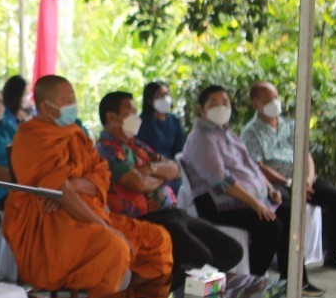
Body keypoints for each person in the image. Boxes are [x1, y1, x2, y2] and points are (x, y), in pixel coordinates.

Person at [4, 76, 173, 298]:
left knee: (158, 240)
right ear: (45, 106)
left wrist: (75, 183)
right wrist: (98, 218)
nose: (73, 104)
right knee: (114, 247)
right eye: (66, 99)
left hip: (90, 214)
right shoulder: (32, 136)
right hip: (50, 226)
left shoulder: (75, 132)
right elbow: (58, 194)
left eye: (73, 97)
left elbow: (101, 175)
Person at [182, 85, 323, 295]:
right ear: (201, 109)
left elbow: (251, 166)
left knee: (290, 214)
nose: (222, 107)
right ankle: (250, 283)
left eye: (225, 102)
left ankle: (293, 280)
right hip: (216, 204)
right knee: (270, 226)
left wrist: (267, 190)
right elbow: (220, 181)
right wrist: (255, 203)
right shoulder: (202, 138)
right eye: (214, 103)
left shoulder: (226, 132)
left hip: (245, 198)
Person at [96, 91, 243, 280]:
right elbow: (138, 184)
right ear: (111, 116)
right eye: (130, 111)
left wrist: (149, 169)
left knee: (232, 250)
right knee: (201, 259)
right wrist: (157, 173)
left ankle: (186, 289)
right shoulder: (106, 149)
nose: (136, 116)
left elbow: (175, 168)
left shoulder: (136, 145)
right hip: (146, 219)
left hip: (173, 212)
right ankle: (175, 297)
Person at [241, 82, 336, 271]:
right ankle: (289, 265)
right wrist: (289, 182)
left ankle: (334, 253)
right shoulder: (250, 132)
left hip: (303, 180)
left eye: (276, 97)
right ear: (255, 104)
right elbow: (258, 166)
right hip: (275, 184)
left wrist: (308, 180)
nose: (275, 102)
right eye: (268, 100)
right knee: (288, 210)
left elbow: (306, 154)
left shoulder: (290, 125)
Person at [137, 81, 186, 160]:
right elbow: (140, 150)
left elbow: (180, 149)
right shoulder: (141, 123)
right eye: (159, 96)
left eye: (166, 94)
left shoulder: (174, 120)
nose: (165, 99)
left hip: (173, 166)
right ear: (149, 101)